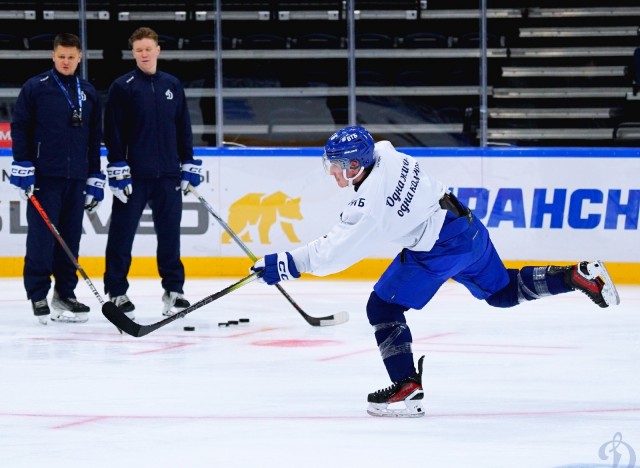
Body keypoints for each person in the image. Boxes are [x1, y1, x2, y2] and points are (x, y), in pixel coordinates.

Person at [251, 125, 621, 418]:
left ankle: (405, 385)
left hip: (439, 247)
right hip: (466, 228)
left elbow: (333, 253)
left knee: (382, 308)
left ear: (354, 166)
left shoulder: (371, 204)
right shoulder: (384, 152)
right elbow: (378, 148)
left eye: (336, 166)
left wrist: (284, 263)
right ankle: (577, 276)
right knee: (502, 292)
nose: (332, 172)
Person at [103, 27, 202, 319]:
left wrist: (188, 162)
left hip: (169, 175)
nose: (144, 54)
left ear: (158, 49)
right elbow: (113, 130)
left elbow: (183, 126)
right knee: (121, 236)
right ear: (133, 53)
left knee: (170, 236)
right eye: (138, 50)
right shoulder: (123, 86)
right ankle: (117, 292)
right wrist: (118, 165)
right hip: (134, 176)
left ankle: (174, 290)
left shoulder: (172, 84)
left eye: (148, 49)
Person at [9, 33, 104, 325]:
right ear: (53, 56)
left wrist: (95, 176)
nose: (66, 61)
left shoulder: (87, 92)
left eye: (71, 57)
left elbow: (93, 138)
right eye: (61, 56)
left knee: (70, 239)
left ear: (80, 58)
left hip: (76, 178)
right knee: (42, 238)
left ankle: (65, 293)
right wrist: (23, 162)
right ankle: (38, 292)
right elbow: (20, 126)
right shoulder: (36, 88)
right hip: (45, 176)